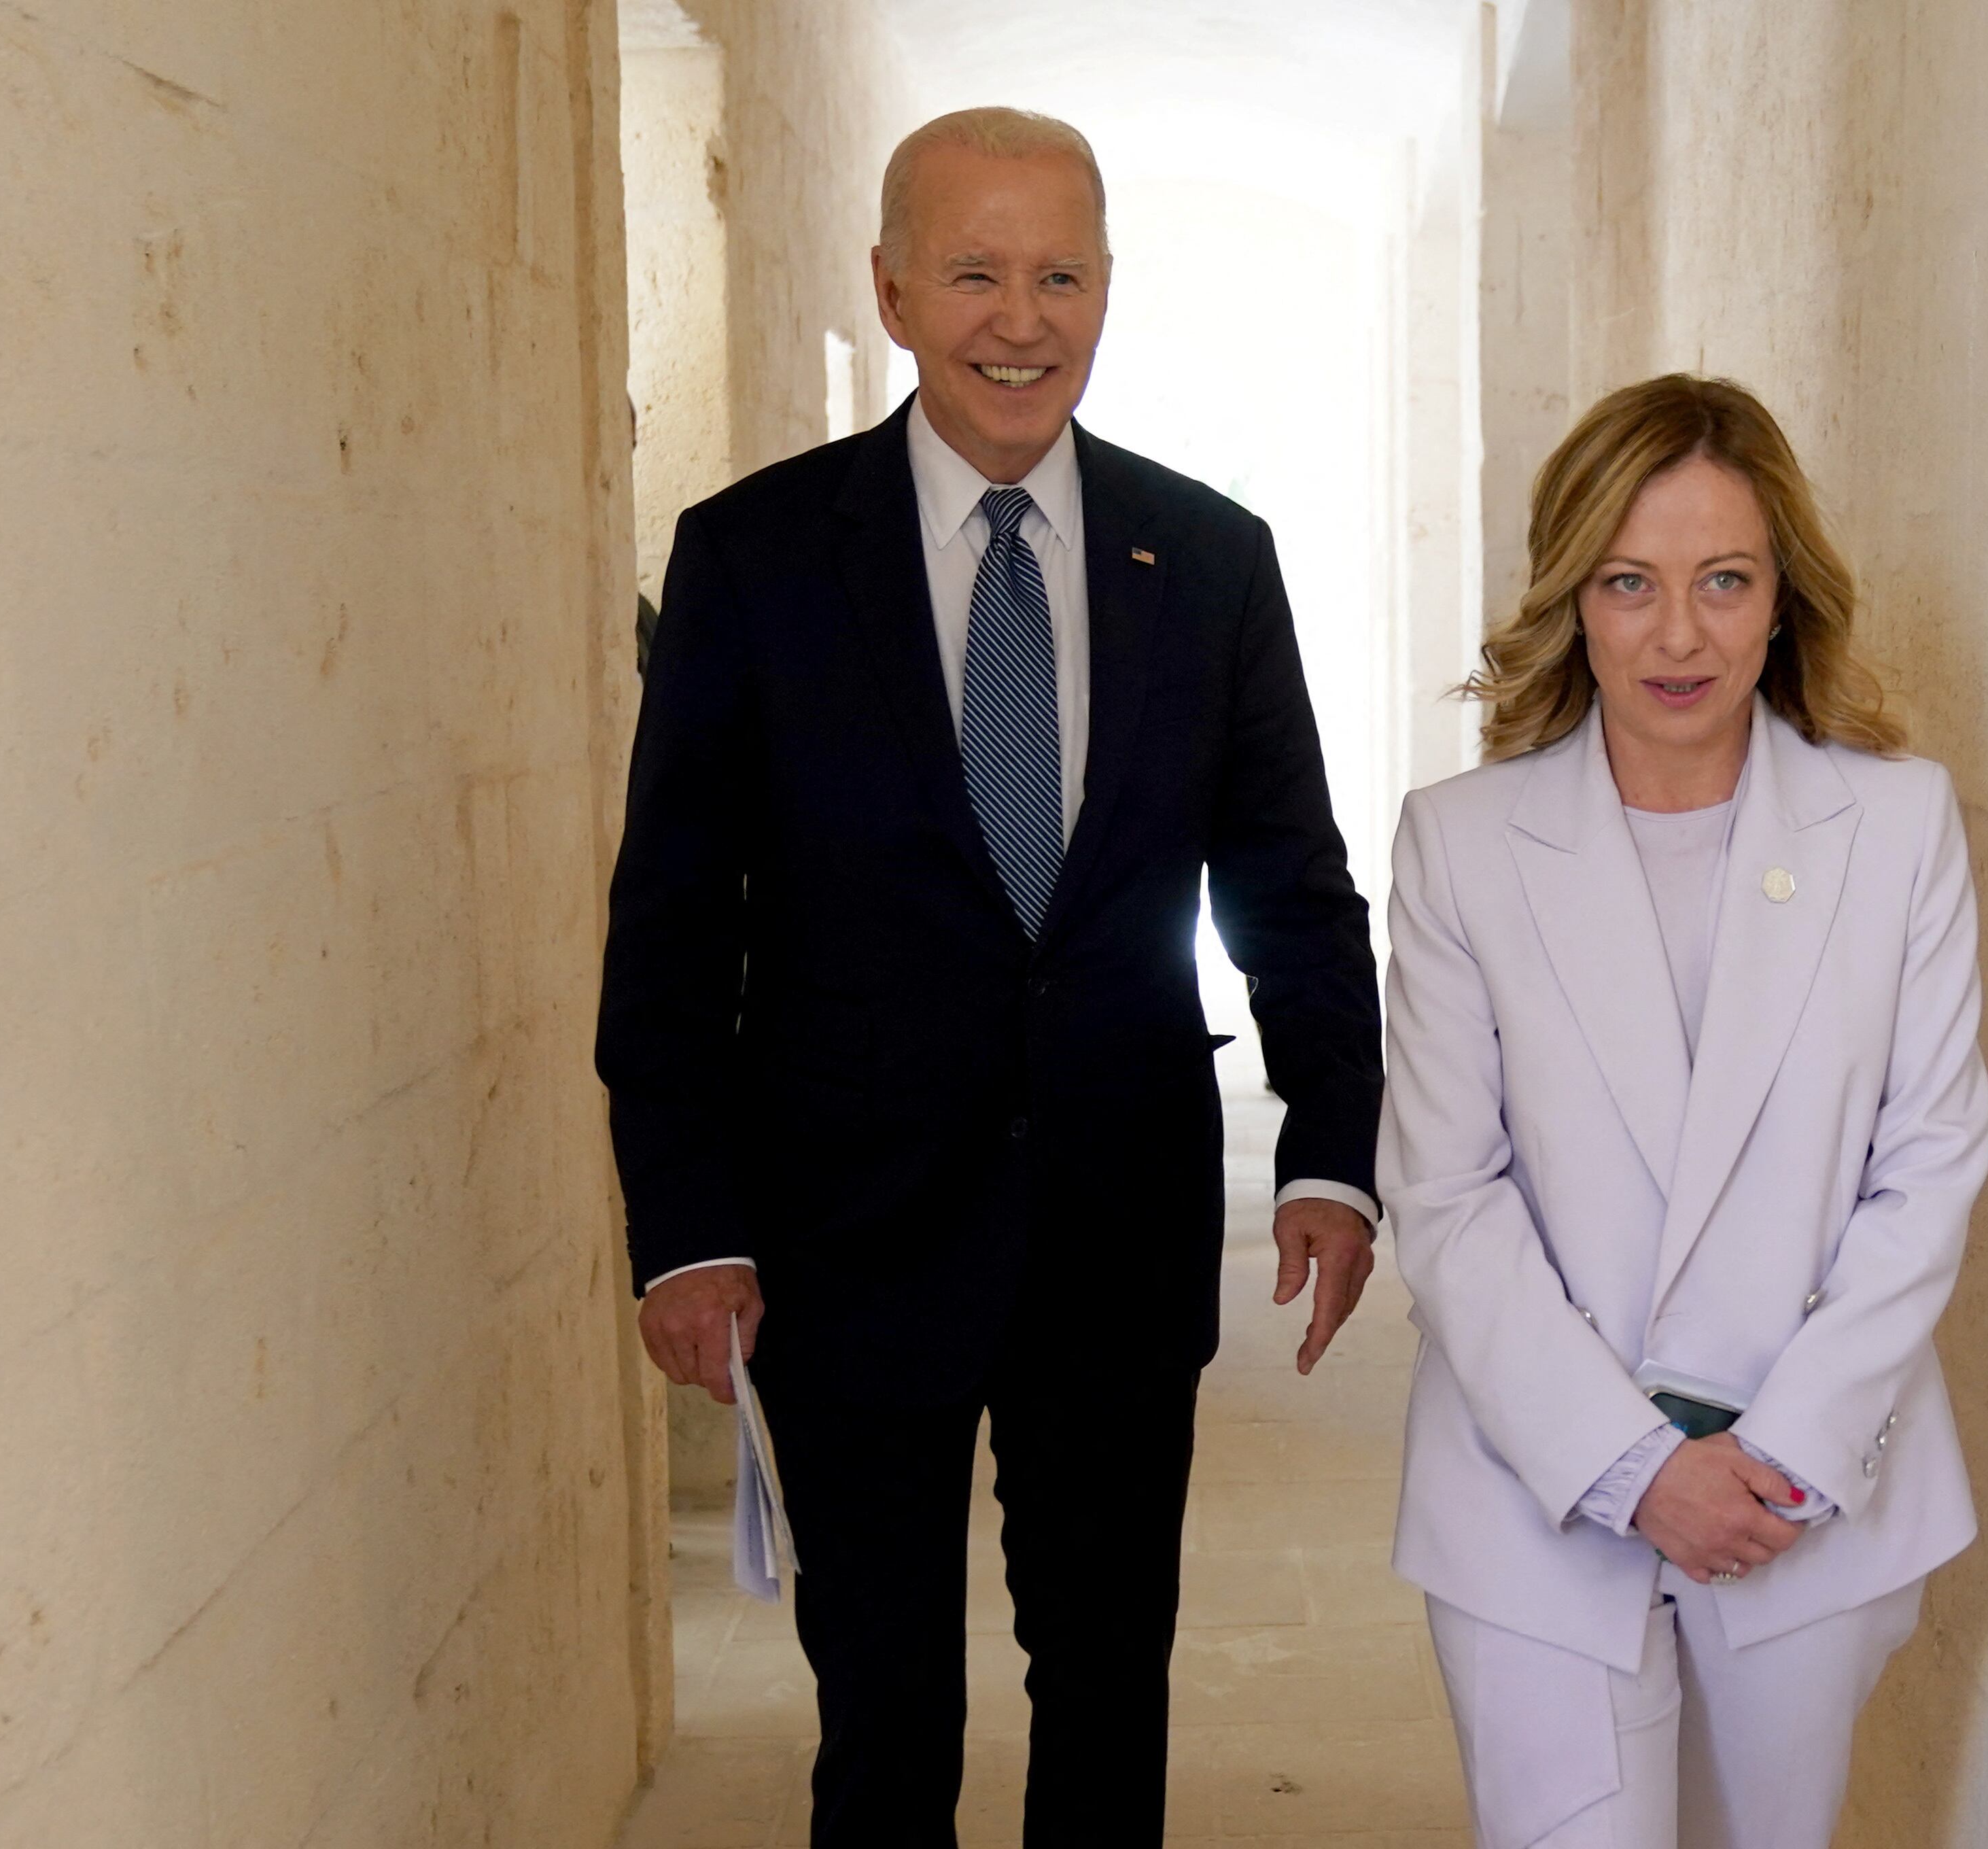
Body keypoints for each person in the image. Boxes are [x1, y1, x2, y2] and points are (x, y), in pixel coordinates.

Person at [595, 107, 1384, 1847]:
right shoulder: (755, 559)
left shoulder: (1215, 560)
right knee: (884, 1712)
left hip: (1117, 1218)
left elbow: (1289, 882)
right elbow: (669, 928)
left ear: (1107, 293)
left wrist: (1332, 1143)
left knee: (1109, 1690)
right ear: (890, 289)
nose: (1018, 318)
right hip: (843, 1235)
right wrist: (688, 1221)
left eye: (1059, 274)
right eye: (973, 271)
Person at [1378, 374, 1988, 1849]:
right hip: (1536, 1493)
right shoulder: (1461, 847)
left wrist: (1774, 1453)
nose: (1678, 634)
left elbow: (1931, 1162)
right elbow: (1451, 1200)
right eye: (1629, 582)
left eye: (1725, 581)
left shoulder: (1897, 826)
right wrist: (1636, 1467)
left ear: (1784, 597)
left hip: (1804, 1494)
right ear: (1570, 595)